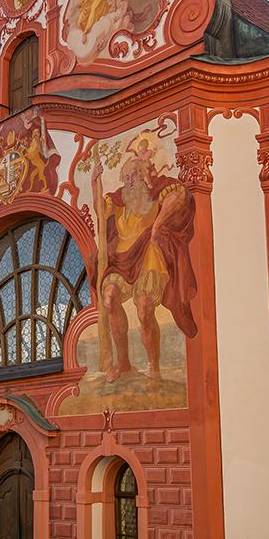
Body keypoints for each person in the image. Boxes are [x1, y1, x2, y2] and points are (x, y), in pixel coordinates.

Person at [89, 131, 198, 383]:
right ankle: (123, 362)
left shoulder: (157, 191)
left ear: (145, 176)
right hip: (121, 258)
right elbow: (100, 212)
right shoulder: (118, 200)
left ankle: (153, 366)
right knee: (109, 298)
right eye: (126, 177)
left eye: (135, 176)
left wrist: (158, 224)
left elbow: (178, 196)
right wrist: (95, 183)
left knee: (145, 307)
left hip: (148, 255)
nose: (130, 181)